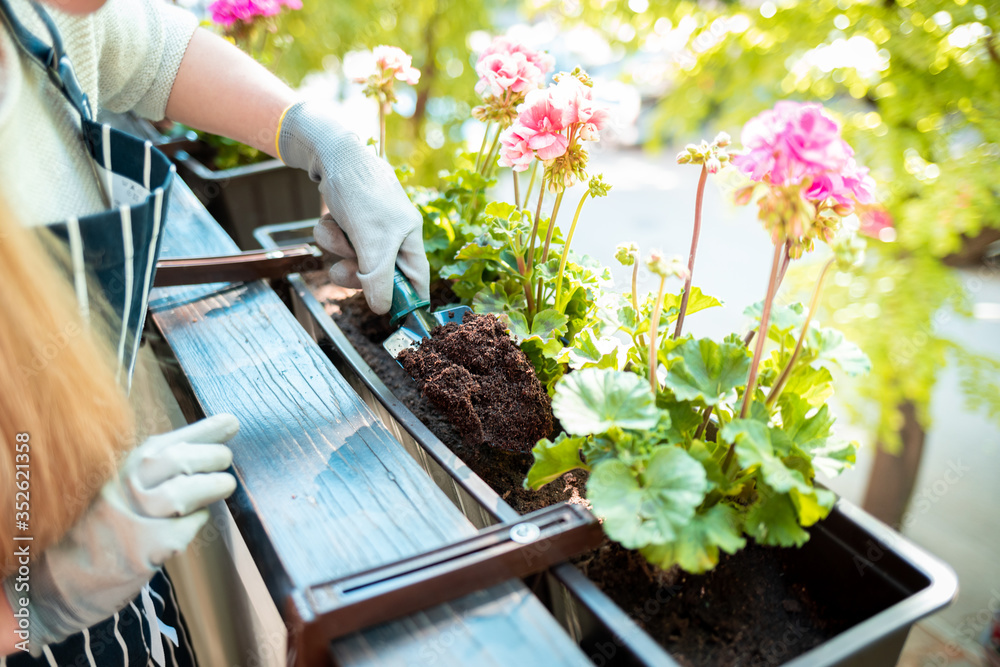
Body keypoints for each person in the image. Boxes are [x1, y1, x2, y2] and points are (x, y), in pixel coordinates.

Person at [0, 0, 430, 660]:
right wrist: (44, 599)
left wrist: (321, 140)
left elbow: (148, 50)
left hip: (122, 564)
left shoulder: (33, 20)